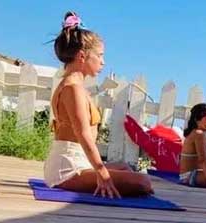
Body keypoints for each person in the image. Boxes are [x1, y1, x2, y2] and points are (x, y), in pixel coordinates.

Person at [44, 12, 152, 198]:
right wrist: (102, 174)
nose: (103, 62)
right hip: (68, 169)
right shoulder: (72, 89)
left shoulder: (76, 86)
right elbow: (83, 135)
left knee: (125, 167)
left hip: (79, 161)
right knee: (143, 182)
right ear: (82, 56)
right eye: (100, 56)